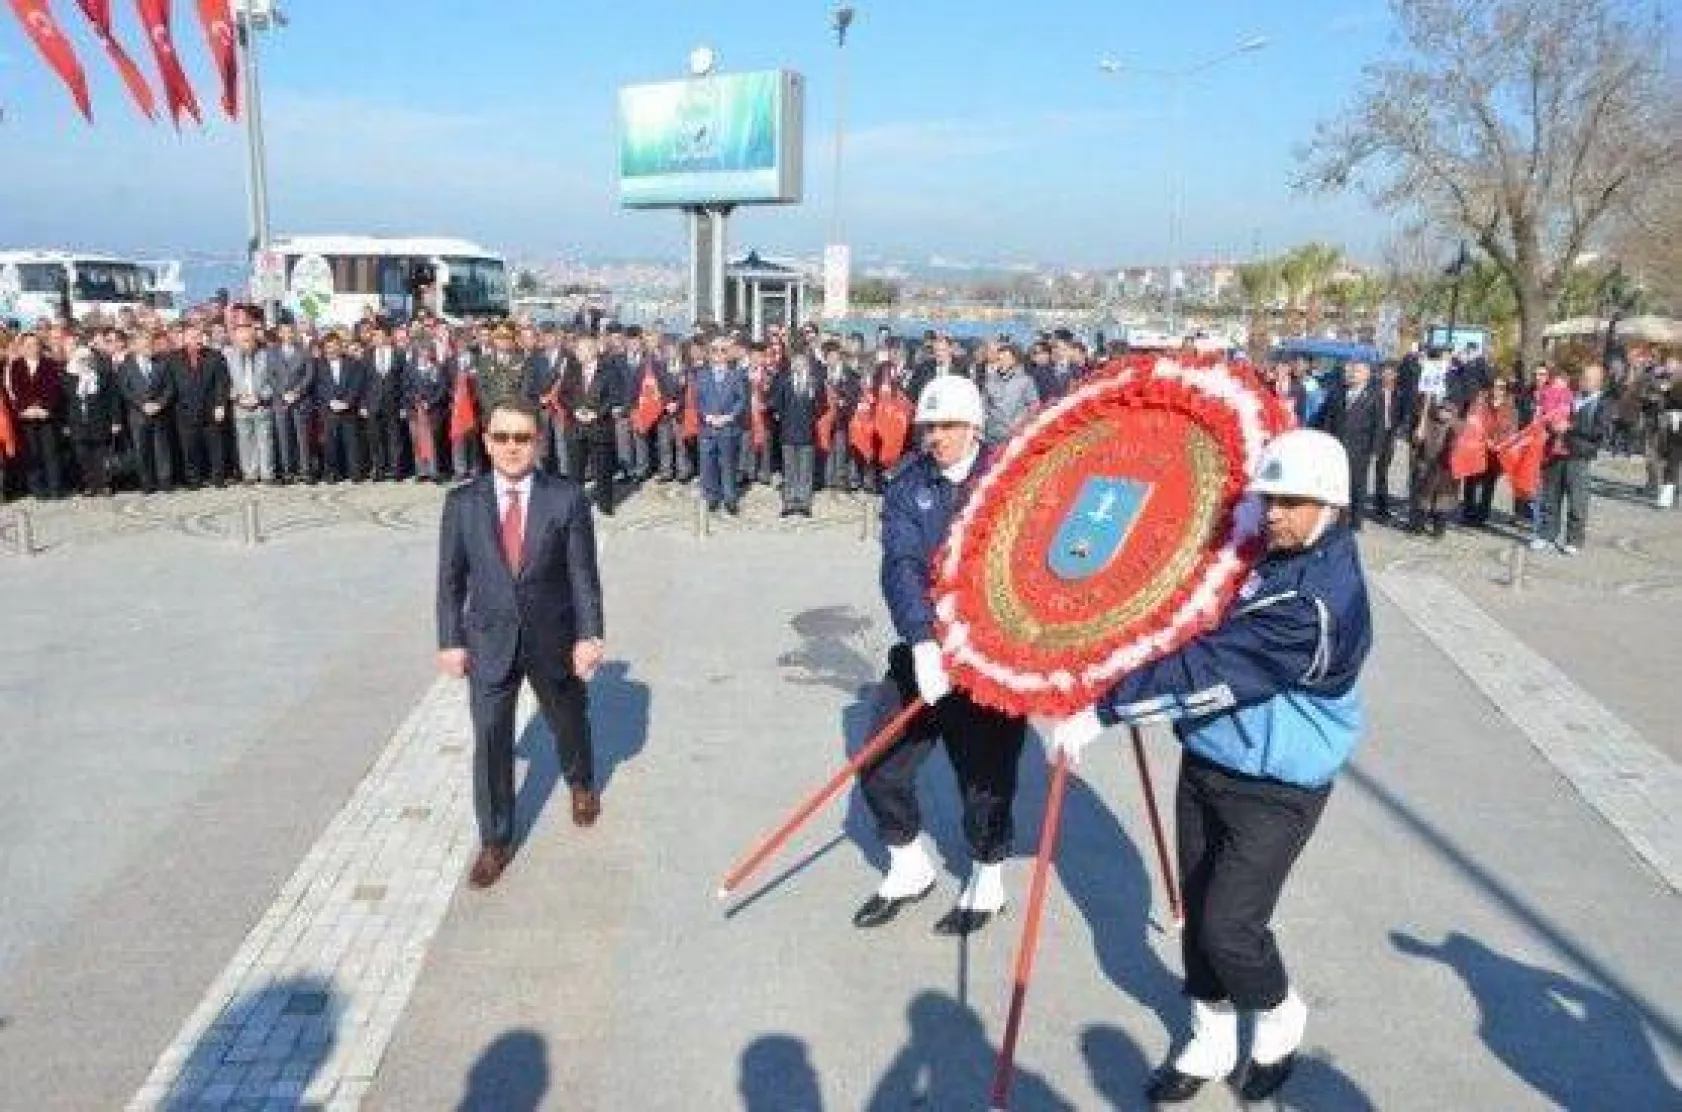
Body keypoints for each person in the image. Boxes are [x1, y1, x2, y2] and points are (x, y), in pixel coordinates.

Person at [1034, 428, 1371, 1105]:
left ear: (1331, 506)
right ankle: (1209, 1035)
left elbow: (1208, 669)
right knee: (1197, 909)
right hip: (1211, 758)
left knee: (1231, 926)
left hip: (1278, 786)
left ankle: (1277, 1013)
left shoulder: (1316, 602)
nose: (1274, 513)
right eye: (1269, 498)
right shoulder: (1267, 549)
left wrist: (1105, 709)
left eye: (1292, 502)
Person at [854, 374, 1027, 937]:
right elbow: (900, 564)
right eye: (929, 426)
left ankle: (987, 880)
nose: (936, 437)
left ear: (975, 427)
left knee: (984, 781)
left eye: (949, 425)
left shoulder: (1012, 479)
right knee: (878, 763)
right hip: (925, 649)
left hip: (988, 658)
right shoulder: (910, 483)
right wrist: (922, 639)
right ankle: (909, 867)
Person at [436, 397, 607, 890]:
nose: (512, 447)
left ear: (539, 442)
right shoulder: (462, 503)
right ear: (487, 443)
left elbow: (583, 575)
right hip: (488, 640)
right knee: (491, 738)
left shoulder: (566, 498)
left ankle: (580, 780)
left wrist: (589, 635)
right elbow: (450, 580)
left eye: (523, 438)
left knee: (567, 719)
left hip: (552, 637)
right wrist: (450, 640)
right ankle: (495, 839)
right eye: (503, 437)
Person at [1532, 364, 1609, 555]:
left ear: (1598, 382)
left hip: (1579, 456)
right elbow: (1551, 416)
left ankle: (1573, 540)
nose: (1583, 381)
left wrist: (1570, 427)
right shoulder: (1570, 396)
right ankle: (1547, 535)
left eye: (1588, 378)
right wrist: (1551, 424)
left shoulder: (1603, 403)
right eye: (1583, 377)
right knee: (1550, 496)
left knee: (1577, 500)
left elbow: (1600, 431)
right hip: (1556, 452)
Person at [560, 334, 625, 515]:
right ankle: (575, 506)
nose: (577, 353)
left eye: (581, 349)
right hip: (576, 427)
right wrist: (575, 410)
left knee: (602, 469)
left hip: (600, 427)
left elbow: (615, 397)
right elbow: (563, 395)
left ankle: (605, 504)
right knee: (575, 471)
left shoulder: (609, 370)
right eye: (577, 349)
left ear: (593, 351)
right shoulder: (572, 370)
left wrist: (597, 413)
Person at [168, 323, 231, 489]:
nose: (197, 340)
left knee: (215, 446)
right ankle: (193, 480)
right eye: (192, 336)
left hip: (210, 409)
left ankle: (218, 478)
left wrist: (220, 404)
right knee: (189, 448)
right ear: (184, 338)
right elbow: (169, 384)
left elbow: (222, 382)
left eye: (199, 336)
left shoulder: (215, 356)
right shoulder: (172, 358)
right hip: (185, 410)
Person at [116, 328, 175, 493]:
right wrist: (142, 405)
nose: (149, 347)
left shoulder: (161, 363)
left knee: (161, 449)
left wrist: (160, 404)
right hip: (138, 415)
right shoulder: (126, 366)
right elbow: (125, 390)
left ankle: (165, 481)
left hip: (159, 413)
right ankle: (147, 483)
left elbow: (169, 388)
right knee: (142, 450)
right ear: (136, 346)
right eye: (145, 344)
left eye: (150, 344)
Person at [696, 334, 748, 514]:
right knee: (708, 465)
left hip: (728, 427)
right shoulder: (702, 375)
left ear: (727, 354)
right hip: (708, 427)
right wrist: (707, 416)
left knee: (728, 465)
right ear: (710, 354)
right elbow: (698, 400)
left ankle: (730, 498)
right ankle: (712, 497)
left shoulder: (736, 375)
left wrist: (729, 416)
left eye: (722, 350)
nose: (718, 354)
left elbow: (741, 400)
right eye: (714, 350)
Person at [769, 350, 824, 516]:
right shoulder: (785, 381)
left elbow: (822, 405)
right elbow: (776, 402)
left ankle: (804, 503)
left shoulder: (814, 383)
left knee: (805, 470)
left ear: (807, 365)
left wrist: (813, 410)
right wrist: (781, 416)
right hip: (788, 432)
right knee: (790, 469)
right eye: (795, 363)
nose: (797, 366)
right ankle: (789, 502)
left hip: (807, 432)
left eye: (801, 363)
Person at [63, 346, 122, 497]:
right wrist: (65, 423)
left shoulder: (103, 375)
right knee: (83, 455)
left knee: (102, 454)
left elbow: (113, 399)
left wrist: (115, 421)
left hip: (100, 420)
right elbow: (64, 401)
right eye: (81, 359)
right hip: (77, 421)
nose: (85, 362)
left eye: (87, 359)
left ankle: (105, 484)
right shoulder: (68, 377)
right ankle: (89, 484)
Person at [224, 322, 278, 485]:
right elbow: (225, 382)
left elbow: (273, 380)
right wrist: (237, 397)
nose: (246, 344)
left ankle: (267, 473)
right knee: (245, 441)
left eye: (249, 340)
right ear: (235, 341)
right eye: (242, 341)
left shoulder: (266, 355)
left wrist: (260, 397)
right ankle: (250, 473)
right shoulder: (228, 357)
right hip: (240, 405)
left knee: (265, 440)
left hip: (262, 404)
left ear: (255, 339)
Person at [313, 332, 367, 484]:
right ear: (324, 348)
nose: (332, 349)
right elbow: (318, 386)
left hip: (348, 409)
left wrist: (347, 402)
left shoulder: (353, 363)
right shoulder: (318, 365)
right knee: (331, 444)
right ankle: (332, 473)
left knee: (351, 442)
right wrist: (330, 401)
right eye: (328, 347)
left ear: (340, 346)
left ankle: (355, 473)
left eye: (335, 346)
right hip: (328, 410)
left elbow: (357, 384)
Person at [1335, 360, 1382, 530]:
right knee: (1341, 484)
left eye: (1358, 372)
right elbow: (1332, 418)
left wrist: (1375, 449)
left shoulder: (1374, 395)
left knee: (1357, 485)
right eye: (1353, 371)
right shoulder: (1341, 392)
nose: (1354, 374)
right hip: (1339, 444)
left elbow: (1378, 424)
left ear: (1367, 375)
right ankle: (1341, 518)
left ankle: (1356, 520)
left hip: (1360, 447)